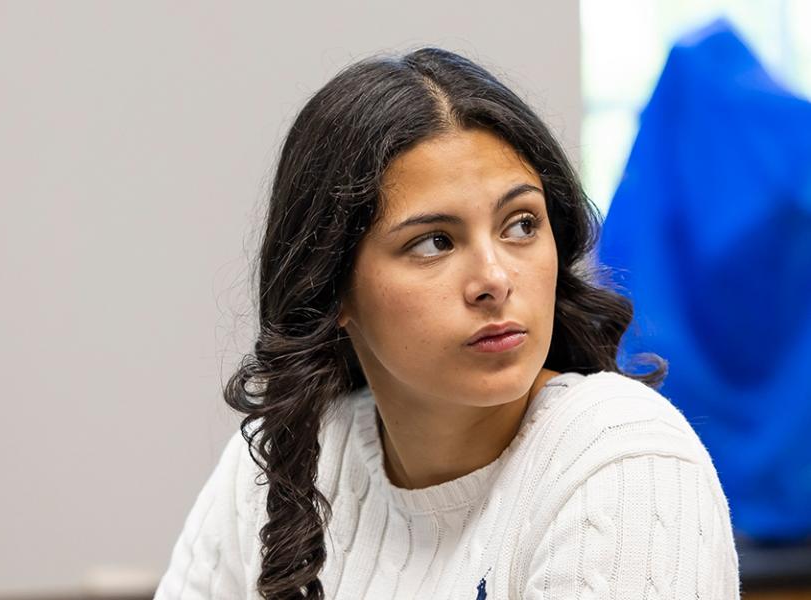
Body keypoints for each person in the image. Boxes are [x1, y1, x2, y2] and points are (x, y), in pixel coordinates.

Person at [153, 47, 740, 600]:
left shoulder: (624, 460)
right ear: (332, 288)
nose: (495, 278)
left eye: (520, 225)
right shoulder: (288, 458)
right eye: (435, 242)